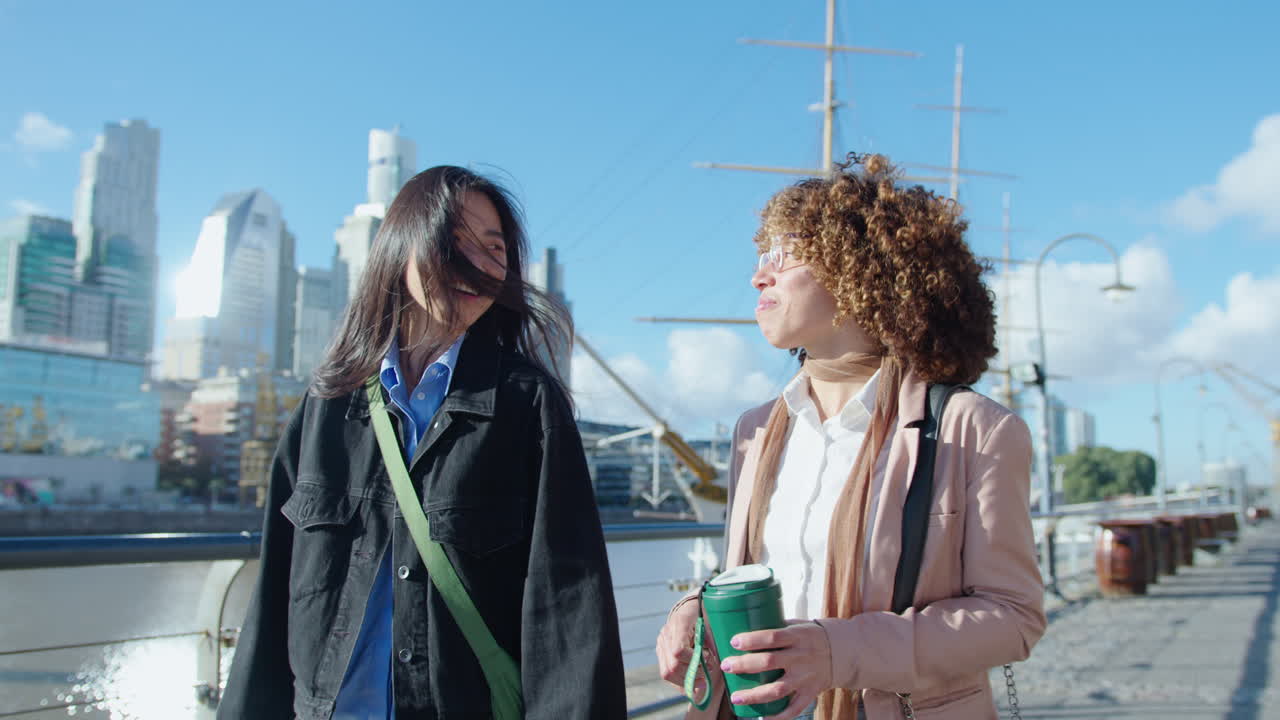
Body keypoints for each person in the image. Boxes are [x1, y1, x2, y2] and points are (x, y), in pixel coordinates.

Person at [219, 166, 628, 719]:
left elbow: (569, 610)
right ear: (399, 248)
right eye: (454, 243)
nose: (478, 265)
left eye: (494, 248)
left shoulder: (525, 404)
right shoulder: (329, 403)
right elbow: (274, 600)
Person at [656, 154, 1046, 720]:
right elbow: (755, 570)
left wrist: (839, 652)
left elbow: (1012, 617)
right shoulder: (755, 429)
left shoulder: (975, 430)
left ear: (861, 270)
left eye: (785, 254)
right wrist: (697, 607)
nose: (759, 276)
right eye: (762, 256)